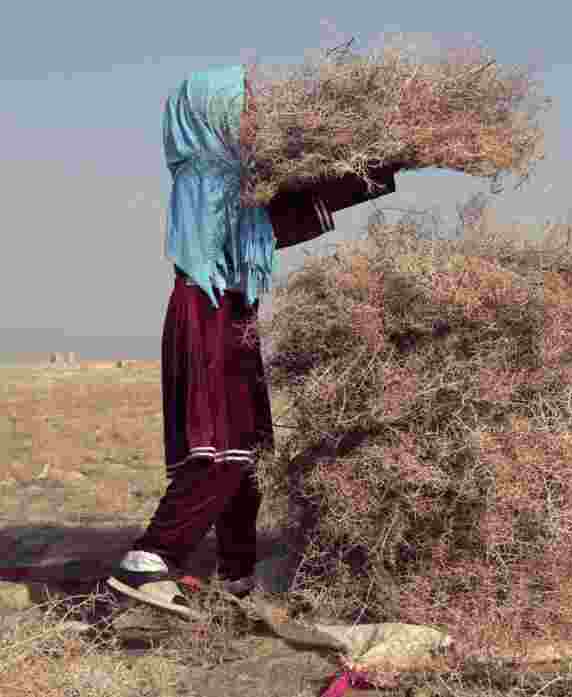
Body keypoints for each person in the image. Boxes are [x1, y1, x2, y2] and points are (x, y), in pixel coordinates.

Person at [107, 64, 401, 611]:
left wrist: (380, 168)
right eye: (243, 107)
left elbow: (274, 219)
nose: (254, 116)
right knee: (219, 453)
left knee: (251, 454)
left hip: (231, 313)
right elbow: (275, 220)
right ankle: (149, 561)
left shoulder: (227, 175)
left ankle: (237, 574)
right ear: (210, 116)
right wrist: (370, 167)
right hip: (208, 313)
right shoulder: (208, 173)